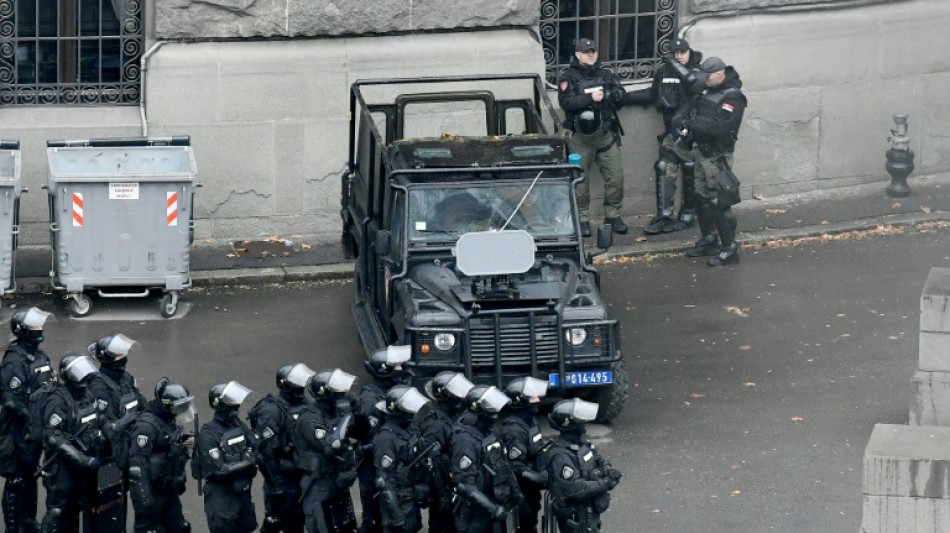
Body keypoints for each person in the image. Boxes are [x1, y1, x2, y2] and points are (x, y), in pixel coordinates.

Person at [625, 38, 705, 235]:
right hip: (672, 131)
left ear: (689, 52)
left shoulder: (698, 71)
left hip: (692, 133)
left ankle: (688, 213)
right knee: (664, 168)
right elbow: (653, 94)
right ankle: (663, 216)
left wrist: (675, 64)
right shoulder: (663, 72)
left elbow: (694, 86)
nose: (679, 57)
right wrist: (625, 97)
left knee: (690, 169)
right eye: (676, 54)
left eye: (682, 53)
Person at [678, 56, 748, 266]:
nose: (704, 80)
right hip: (701, 151)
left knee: (719, 200)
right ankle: (709, 238)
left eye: (707, 77)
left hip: (717, 155)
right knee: (701, 196)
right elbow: (694, 110)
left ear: (720, 74)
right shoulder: (707, 90)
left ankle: (729, 248)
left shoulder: (733, 97)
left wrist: (691, 123)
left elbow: (720, 128)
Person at [558, 36, 629, 237]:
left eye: (594, 51)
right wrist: (590, 98)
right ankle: (582, 220)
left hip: (605, 135)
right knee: (580, 181)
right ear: (577, 55)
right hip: (580, 139)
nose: (591, 55)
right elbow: (567, 103)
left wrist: (612, 94)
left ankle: (613, 216)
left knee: (616, 177)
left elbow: (620, 95)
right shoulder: (568, 77)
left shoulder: (605, 74)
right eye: (586, 52)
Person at [0, 307, 55, 533]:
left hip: (36, 430)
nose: (39, 330)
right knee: (17, 480)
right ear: (22, 331)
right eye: (34, 327)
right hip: (17, 430)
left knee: (31, 475)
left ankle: (28, 523)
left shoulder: (41, 357)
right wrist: (30, 418)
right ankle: (14, 527)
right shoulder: (14, 360)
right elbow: (9, 398)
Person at [39, 353, 106, 533]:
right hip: (61, 466)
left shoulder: (87, 393)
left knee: (76, 508)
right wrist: (81, 459)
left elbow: (97, 419)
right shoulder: (58, 400)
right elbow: (54, 437)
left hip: (83, 464)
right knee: (58, 510)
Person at [86, 333, 148, 527]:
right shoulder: (97, 386)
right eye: (118, 356)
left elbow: (142, 404)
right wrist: (132, 417)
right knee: (108, 507)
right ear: (107, 359)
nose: (123, 359)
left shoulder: (126, 378)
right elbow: (110, 428)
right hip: (108, 460)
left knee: (123, 502)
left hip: (128, 452)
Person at [249, 363, 316, 533]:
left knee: (297, 521)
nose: (302, 387)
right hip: (282, 477)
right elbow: (265, 452)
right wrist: (276, 484)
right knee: (275, 522)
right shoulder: (271, 410)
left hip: (301, 473)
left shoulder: (305, 404)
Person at [293, 368, 359, 533]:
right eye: (339, 393)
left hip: (337, 480)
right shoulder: (310, 419)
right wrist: (346, 418)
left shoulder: (332, 414)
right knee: (322, 528)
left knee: (346, 527)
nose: (344, 395)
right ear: (326, 395)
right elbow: (332, 445)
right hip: (319, 484)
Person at [128, 377, 196, 533]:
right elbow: (137, 468)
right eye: (180, 406)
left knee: (179, 527)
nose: (183, 410)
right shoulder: (146, 427)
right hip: (151, 491)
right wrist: (145, 500)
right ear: (167, 405)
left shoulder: (167, 419)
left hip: (167, 487)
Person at [451, 385, 522, 533]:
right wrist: (492, 509)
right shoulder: (465, 441)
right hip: (476, 513)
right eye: (490, 412)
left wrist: (515, 491)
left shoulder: (488, 434)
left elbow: (503, 465)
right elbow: (465, 486)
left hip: (495, 502)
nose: (495, 416)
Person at [355, 347, 411, 533]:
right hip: (373, 464)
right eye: (397, 367)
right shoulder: (370, 400)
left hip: (389, 461)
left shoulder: (390, 392)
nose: (402, 369)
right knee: (374, 516)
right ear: (384, 371)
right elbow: (370, 435)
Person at [544, 398, 622, 533]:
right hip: (575, 516)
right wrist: (605, 483)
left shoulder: (581, 443)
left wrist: (608, 469)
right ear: (569, 424)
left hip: (589, 511)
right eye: (580, 420)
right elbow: (574, 489)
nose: (584, 422)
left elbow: (597, 457)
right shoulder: (560, 456)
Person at [193, 381, 259, 533]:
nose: (237, 409)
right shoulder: (208, 435)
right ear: (221, 406)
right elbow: (219, 470)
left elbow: (255, 443)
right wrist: (248, 461)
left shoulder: (237, 424)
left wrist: (250, 453)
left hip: (242, 492)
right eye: (232, 406)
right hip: (221, 497)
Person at [419, 371, 475, 533]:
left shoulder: (450, 416)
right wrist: (442, 494)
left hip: (451, 484)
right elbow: (431, 463)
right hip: (441, 488)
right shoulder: (435, 425)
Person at [372, 385, 431, 533]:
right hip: (397, 502)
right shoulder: (386, 438)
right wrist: (395, 515)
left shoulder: (410, 429)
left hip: (410, 498)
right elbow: (384, 481)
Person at [500, 377, 550, 533]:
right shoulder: (514, 429)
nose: (537, 400)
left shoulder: (530, 421)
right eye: (532, 397)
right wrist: (535, 477)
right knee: (524, 521)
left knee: (531, 519)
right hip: (520, 487)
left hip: (531, 487)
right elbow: (515, 465)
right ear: (520, 402)